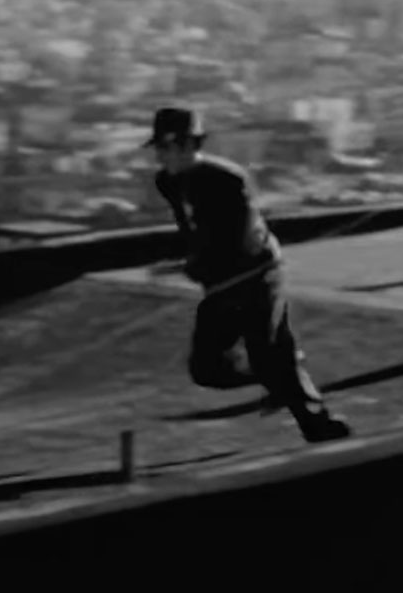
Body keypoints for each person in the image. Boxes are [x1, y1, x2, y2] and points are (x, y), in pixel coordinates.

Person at [147, 106, 352, 444]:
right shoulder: (167, 182)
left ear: (189, 144)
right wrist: (186, 259)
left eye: (166, 147)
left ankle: (318, 424)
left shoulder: (227, 180)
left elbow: (239, 239)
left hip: (257, 275)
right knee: (207, 369)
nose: (160, 156)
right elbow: (191, 229)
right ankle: (280, 377)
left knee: (268, 352)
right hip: (220, 283)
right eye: (158, 148)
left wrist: (192, 267)